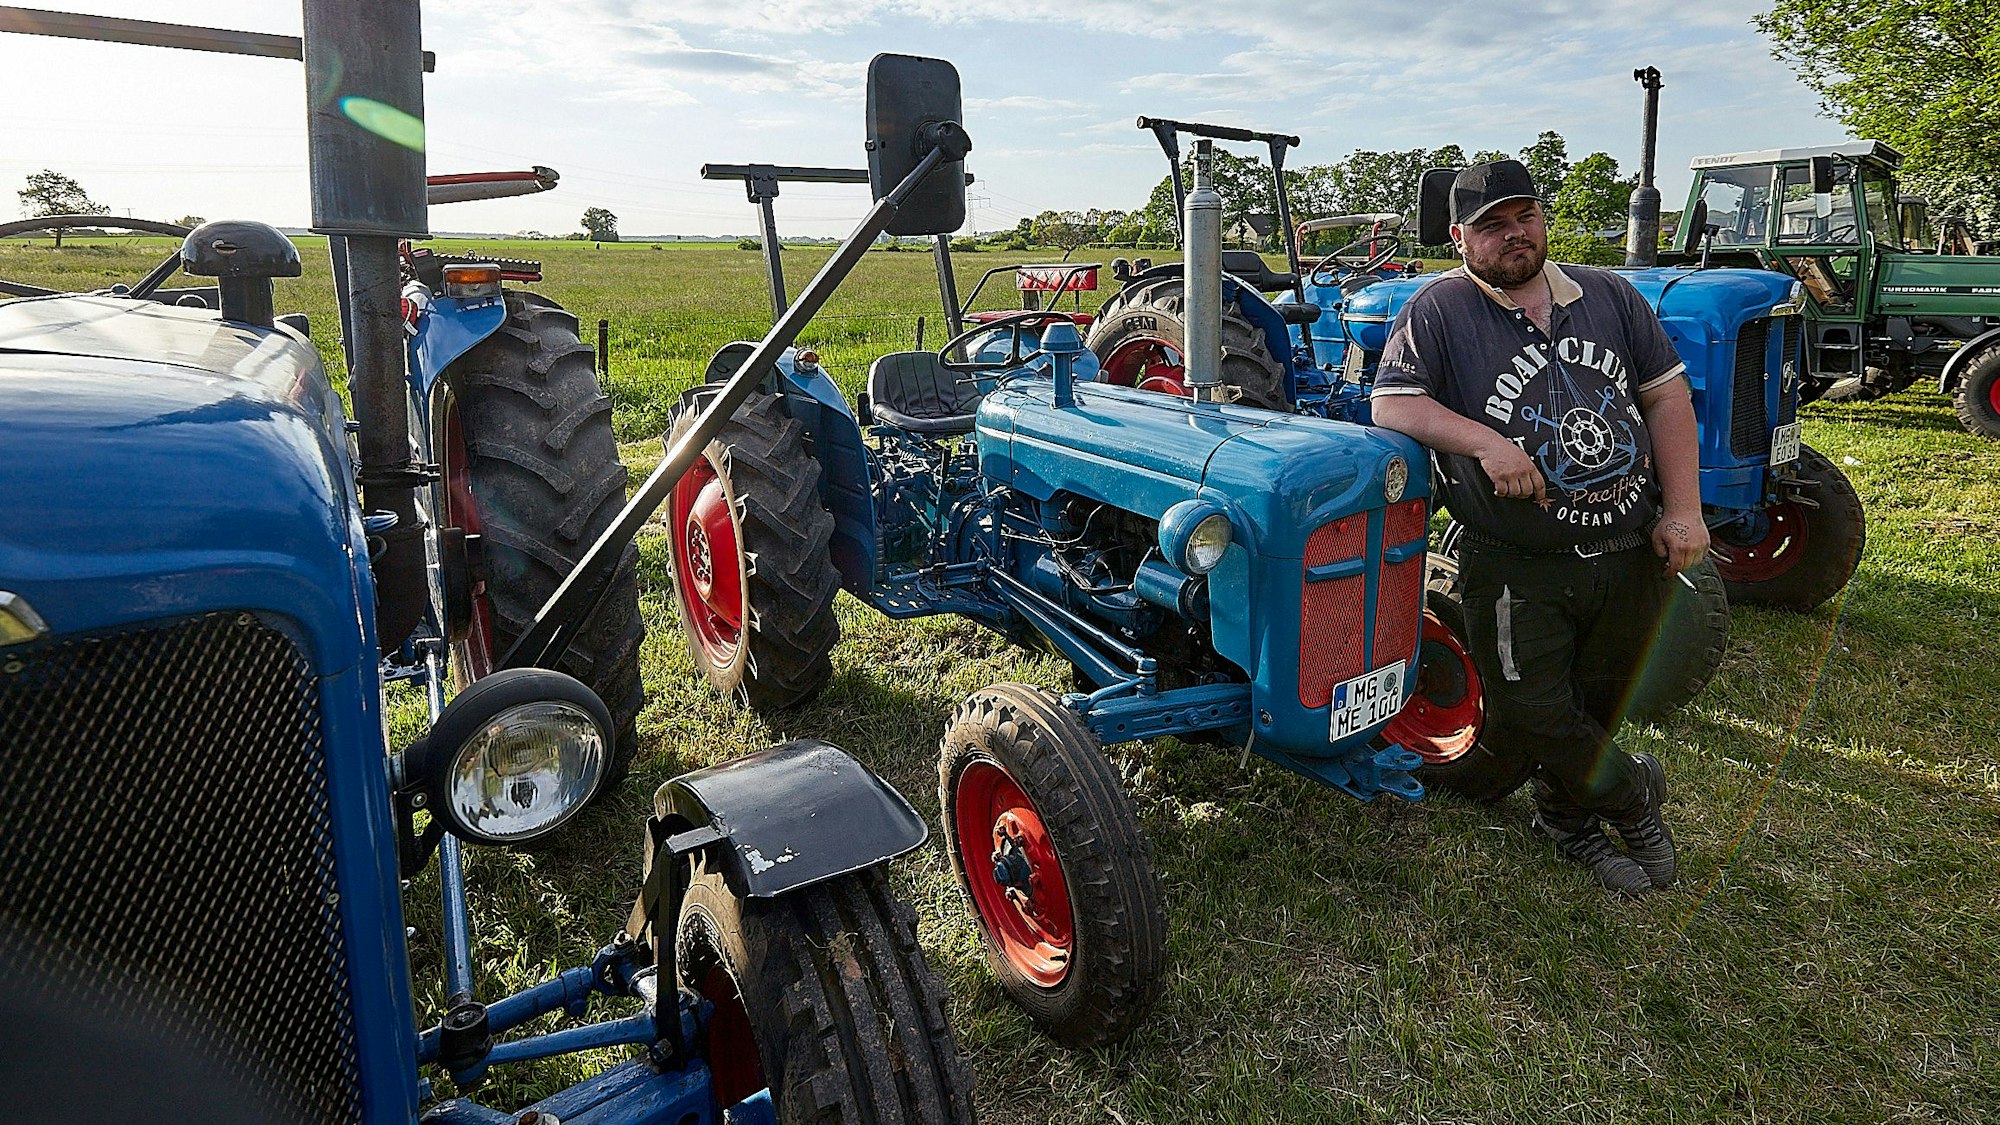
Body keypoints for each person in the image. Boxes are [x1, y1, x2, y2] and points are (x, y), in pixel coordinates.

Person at [1370, 160, 1706, 893]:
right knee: (1533, 708)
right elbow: (1393, 405)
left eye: (1524, 215)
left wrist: (1684, 508)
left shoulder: (1609, 294)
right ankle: (1631, 793)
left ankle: (1568, 820)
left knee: (1602, 697)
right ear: (1460, 236)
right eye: (1492, 224)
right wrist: (1487, 443)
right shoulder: (1437, 310)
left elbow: (1668, 398)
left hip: (1628, 544)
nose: (1514, 234)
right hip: (1517, 558)